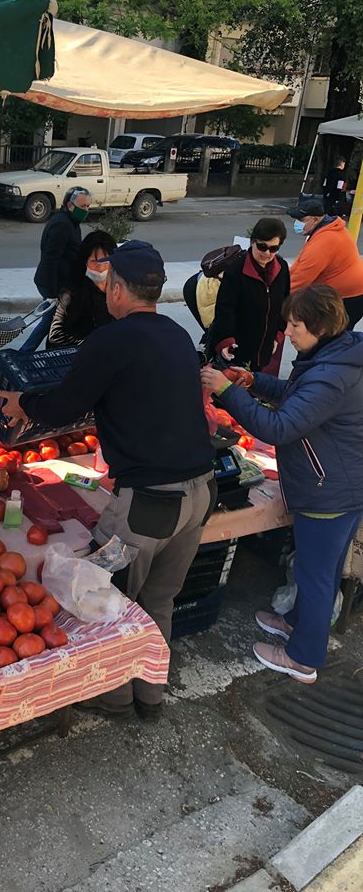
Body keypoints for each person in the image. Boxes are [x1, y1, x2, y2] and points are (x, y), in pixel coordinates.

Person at [0, 241, 216, 721]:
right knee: (159, 598)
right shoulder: (177, 335)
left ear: (117, 288)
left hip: (150, 504)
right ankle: (150, 696)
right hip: (201, 491)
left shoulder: (112, 340)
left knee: (106, 596)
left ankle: (113, 697)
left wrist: (23, 406)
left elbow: (64, 405)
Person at [201, 285, 363, 685]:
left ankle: (303, 658)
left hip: (330, 489)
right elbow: (295, 391)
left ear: (320, 326)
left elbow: (280, 427)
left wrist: (224, 392)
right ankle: (295, 623)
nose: (287, 333)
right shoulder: (334, 355)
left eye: (294, 325)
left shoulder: (331, 376)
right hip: (341, 480)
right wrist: (252, 380)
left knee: (316, 574)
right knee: (316, 568)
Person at [208, 218, 290, 371]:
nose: (267, 253)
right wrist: (226, 340)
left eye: (273, 249)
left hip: (266, 346)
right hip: (239, 346)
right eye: (262, 247)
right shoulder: (236, 270)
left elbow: (285, 303)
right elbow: (225, 308)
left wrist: (278, 334)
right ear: (253, 242)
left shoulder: (282, 268)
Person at [21, 187, 93, 352]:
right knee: (50, 321)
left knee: (52, 321)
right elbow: (50, 259)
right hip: (52, 283)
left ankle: (39, 352)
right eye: (83, 206)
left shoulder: (73, 223)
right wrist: (53, 293)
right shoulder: (62, 225)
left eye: (88, 206)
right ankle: (25, 353)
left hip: (61, 283)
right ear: (70, 205)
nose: (86, 210)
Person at [287, 198, 363, 329]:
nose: (297, 223)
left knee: (325, 337)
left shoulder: (325, 241)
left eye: (301, 220)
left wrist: (274, 298)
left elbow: (301, 278)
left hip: (348, 297)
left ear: (315, 220)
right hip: (347, 292)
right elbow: (300, 263)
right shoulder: (325, 230)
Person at [47, 229, 116, 347]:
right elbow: (55, 335)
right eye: (94, 262)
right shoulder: (71, 292)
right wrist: (91, 345)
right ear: (85, 262)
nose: (100, 268)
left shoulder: (117, 287)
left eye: (105, 262)